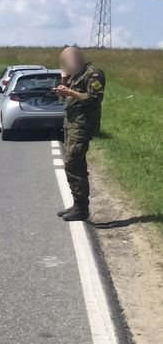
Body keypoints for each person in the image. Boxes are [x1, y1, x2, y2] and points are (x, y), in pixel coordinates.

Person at [55, 46, 105, 222]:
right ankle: (78, 204)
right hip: (71, 126)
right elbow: (65, 100)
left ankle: (81, 208)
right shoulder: (75, 76)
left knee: (72, 163)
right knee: (76, 165)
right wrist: (65, 83)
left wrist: (69, 91)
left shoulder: (94, 74)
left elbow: (93, 98)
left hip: (81, 127)